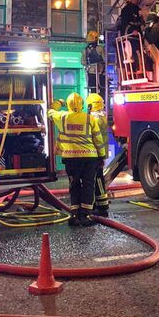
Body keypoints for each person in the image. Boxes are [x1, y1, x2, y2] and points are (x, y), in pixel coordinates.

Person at [48, 92, 105, 226]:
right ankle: (85, 216)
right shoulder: (89, 119)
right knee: (88, 185)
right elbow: (98, 139)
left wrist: (59, 103)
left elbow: (49, 111)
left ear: (68, 104)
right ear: (82, 105)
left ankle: (74, 215)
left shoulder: (62, 117)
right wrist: (101, 156)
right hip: (89, 158)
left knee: (74, 185)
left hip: (71, 158)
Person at [86, 93, 110, 216]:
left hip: (95, 153)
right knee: (97, 178)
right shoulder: (102, 117)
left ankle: (102, 206)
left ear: (91, 106)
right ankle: (99, 204)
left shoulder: (93, 119)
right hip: (100, 152)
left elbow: (95, 138)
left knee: (97, 179)